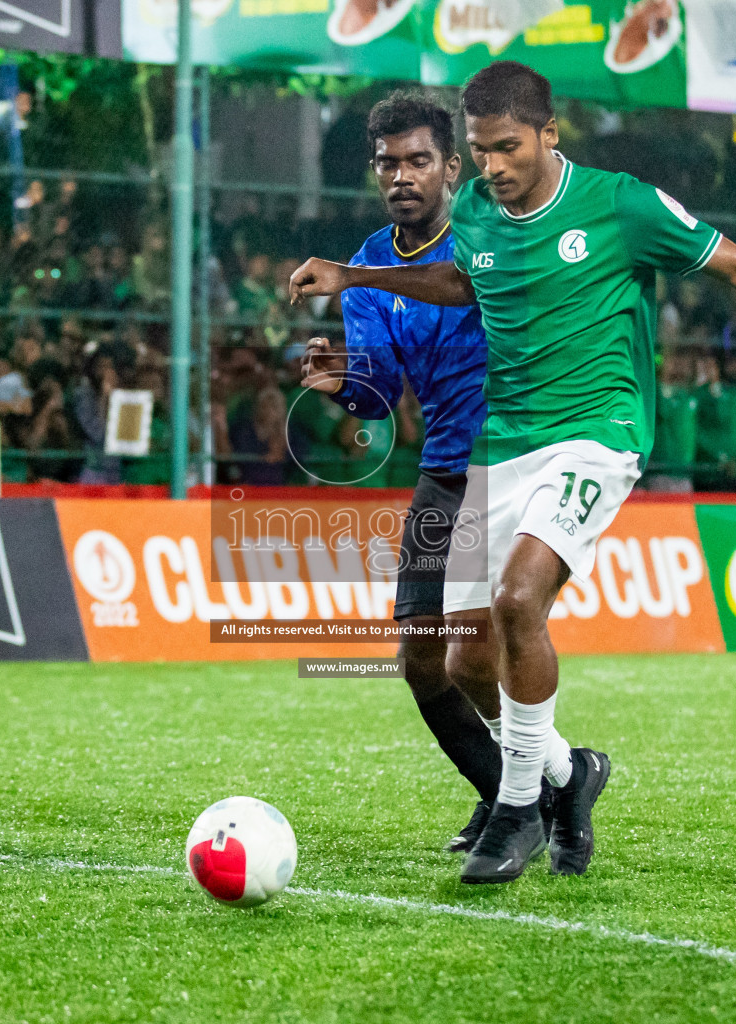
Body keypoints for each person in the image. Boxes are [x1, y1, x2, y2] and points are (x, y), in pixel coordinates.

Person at [291, 62, 736, 884]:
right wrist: (357, 276)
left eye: (508, 148)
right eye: (483, 151)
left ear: (550, 133)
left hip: (599, 433)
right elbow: (464, 278)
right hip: (501, 444)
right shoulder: (482, 212)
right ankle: (570, 773)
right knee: (462, 662)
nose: (492, 168)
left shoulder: (622, 205)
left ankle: (519, 808)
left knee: (519, 599)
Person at [298, 92, 505, 855]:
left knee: (471, 649)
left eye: (418, 160)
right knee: (420, 660)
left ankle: (526, 796)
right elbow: (381, 391)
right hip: (443, 463)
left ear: (451, 167)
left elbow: (471, 286)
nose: (402, 175)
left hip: (506, 456)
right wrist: (345, 384)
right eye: (388, 162)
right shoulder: (367, 260)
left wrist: (354, 278)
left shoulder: (488, 231)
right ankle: (509, 790)